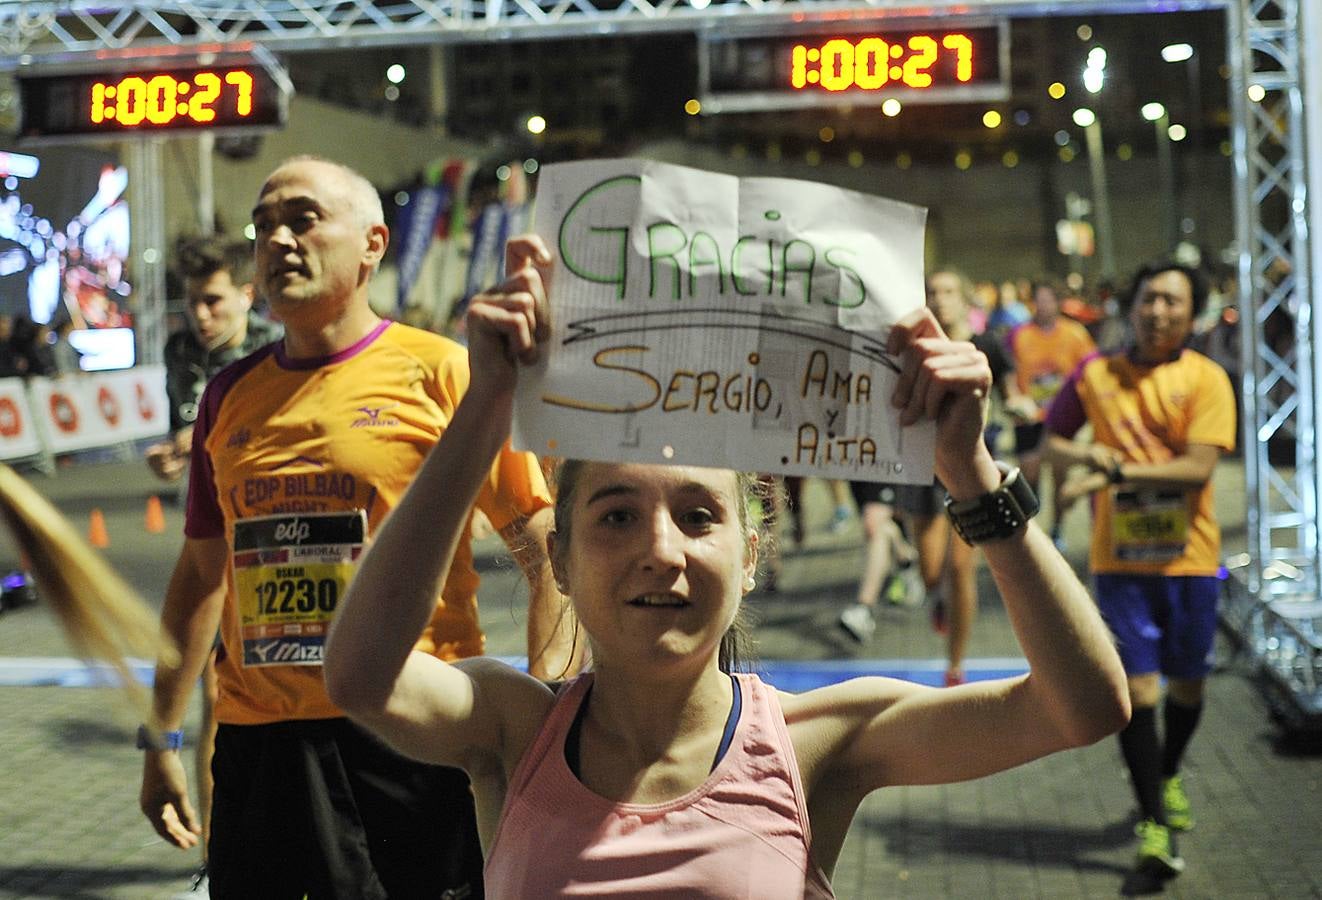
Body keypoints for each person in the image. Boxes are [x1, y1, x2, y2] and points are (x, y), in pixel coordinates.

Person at [324, 234, 1130, 898]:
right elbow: (361, 676)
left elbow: (1081, 709)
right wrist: (482, 411)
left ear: (750, 557)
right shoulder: (513, 731)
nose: (661, 549)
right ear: (558, 562)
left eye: (699, 515)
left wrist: (973, 472)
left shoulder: (816, 744)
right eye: (616, 515)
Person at [138, 157, 574, 900]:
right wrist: (160, 736)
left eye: (303, 219)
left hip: (410, 735)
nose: (277, 239)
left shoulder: (450, 373)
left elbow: (549, 554)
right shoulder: (227, 397)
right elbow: (200, 578)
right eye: (264, 226)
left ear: (373, 243)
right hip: (262, 752)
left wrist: (550, 715)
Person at [1045, 260, 1235, 881]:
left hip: (1191, 560)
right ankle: (1154, 822)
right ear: (1132, 305)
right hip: (1118, 564)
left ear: (1192, 313)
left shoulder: (1206, 379)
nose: (1159, 312)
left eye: (1174, 303)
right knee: (1140, 693)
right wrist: (1084, 452)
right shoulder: (1095, 373)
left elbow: (1196, 468)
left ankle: (1169, 770)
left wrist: (1114, 472)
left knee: (1188, 687)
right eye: (1150, 299)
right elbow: (1051, 439)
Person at [901, 268, 1031, 685]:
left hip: (972, 466)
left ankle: (955, 666)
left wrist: (1021, 405)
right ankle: (941, 600)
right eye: (932, 292)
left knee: (961, 568)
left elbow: (1011, 391)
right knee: (931, 572)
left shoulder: (986, 344)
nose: (939, 298)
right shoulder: (914, 349)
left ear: (965, 298)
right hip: (921, 466)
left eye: (948, 290)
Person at [145, 235, 282, 485]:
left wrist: (211, 435)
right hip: (209, 503)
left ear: (246, 296)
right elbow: (181, 425)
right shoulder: (178, 351)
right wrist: (171, 457)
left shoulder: (278, 347)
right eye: (192, 301)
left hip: (270, 496)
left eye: (212, 300)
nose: (200, 315)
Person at [1007, 279, 1097, 545]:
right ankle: (1031, 529)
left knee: (1060, 476)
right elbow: (1007, 373)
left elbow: (1090, 370)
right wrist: (1014, 397)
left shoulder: (1076, 334)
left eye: (1049, 300)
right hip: (1028, 418)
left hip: (1061, 419)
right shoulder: (1018, 335)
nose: (1044, 306)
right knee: (1029, 474)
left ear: (1058, 303)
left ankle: (1057, 527)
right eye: (1040, 300)